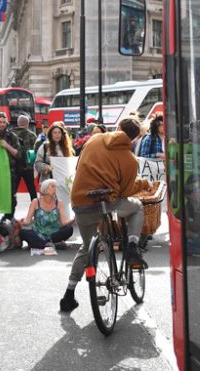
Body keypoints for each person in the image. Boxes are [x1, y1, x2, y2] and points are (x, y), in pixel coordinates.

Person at [60, 117, 157, 312]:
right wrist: (144, 184)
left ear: (118, 127)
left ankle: (68, 295)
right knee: (136, 206)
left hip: (81, 200)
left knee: (87, 248)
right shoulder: (130, 159)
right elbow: (127, 190)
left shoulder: (94, 140)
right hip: (109, 201)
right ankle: (131, 245)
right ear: (135, 138)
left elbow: (79, 168)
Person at [19, 178, 74, 250]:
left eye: (55, 187)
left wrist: (74, 219)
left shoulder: (58, 203)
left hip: (54, 234)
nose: (55, 189)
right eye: (52, 187)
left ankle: (42, 244)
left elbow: (63, 222)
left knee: (69, 229)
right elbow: (28, 221)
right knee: (23, 232)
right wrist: (21, 222)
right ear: (45, 189)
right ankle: (52, 244)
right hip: (38, 234)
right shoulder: (36, 202)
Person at [12, 115, 39, 202]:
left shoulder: (11, 134)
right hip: (28, 167)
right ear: (27, 124)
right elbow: (37, 151)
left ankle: (9, 212)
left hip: (14, 167)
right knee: (31, 188)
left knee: (13, 190)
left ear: (18, 123)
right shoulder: (32, 135)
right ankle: (35, 208)